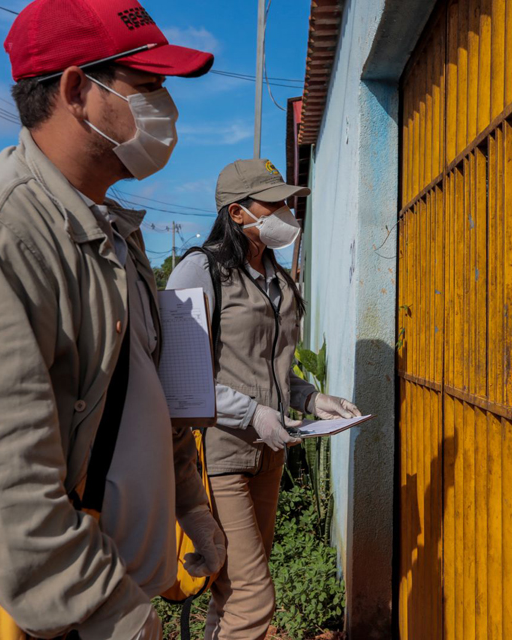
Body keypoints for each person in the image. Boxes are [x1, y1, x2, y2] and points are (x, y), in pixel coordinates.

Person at [0, 1, 225, 638]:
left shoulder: (111, 231)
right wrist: (116, 619)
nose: (170, 109)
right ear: (78, 90)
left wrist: (190, 504)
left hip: (105, 596)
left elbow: (142, 397)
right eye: (150, 85)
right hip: (42, 617)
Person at [167, 159, 361, 640]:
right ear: (237, 214)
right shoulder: (199, 270)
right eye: (272, 203)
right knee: (254, 596)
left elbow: (272, 367)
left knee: (232, 590)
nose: (286, 212)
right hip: (219, 455)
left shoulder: (278, 279)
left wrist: (311, 399)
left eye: (287, 202)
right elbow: (179, 376)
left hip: (269, 454)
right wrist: (252, 412)